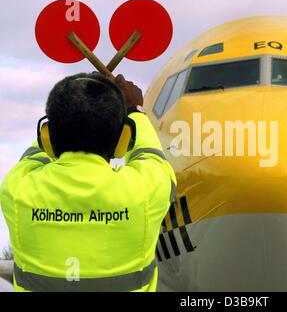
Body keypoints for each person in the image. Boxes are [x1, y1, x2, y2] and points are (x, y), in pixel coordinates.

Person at [0, 73, 176, 292]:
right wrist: (134, 112)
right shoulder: (145, 190)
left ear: (48, 136)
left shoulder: (18, 189)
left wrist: (70, 108)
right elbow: (151, 155)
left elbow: (37, 153)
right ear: (123, 139)